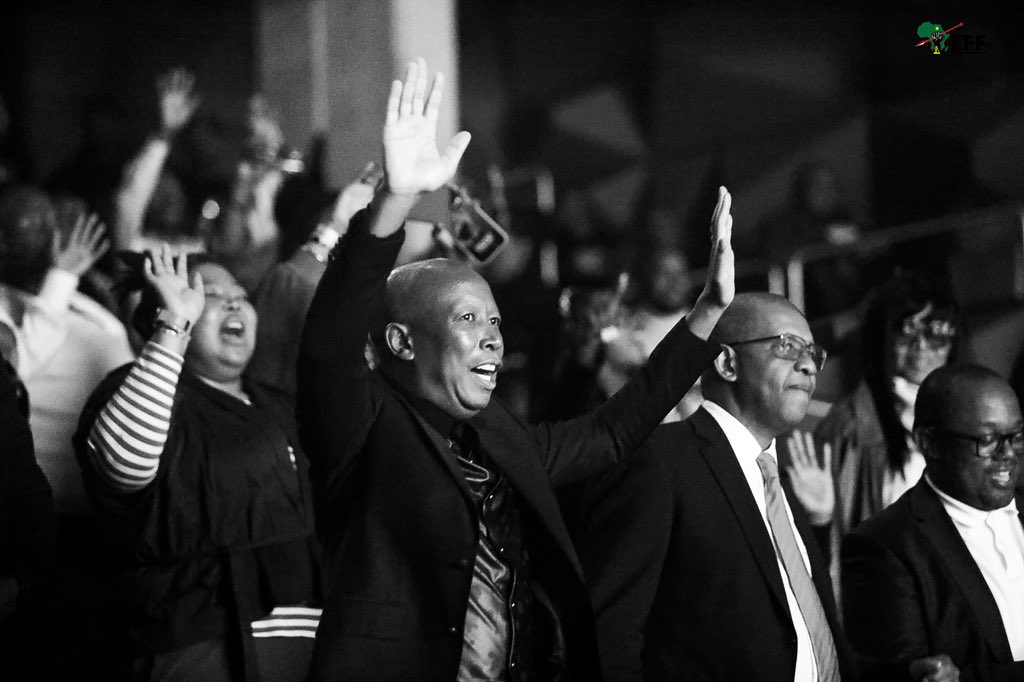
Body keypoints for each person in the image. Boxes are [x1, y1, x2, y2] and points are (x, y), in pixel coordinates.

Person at [297, 58, 732, 680]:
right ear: (401, 341)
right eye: (470, 321)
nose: (493, 340)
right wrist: (395, 199)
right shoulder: (360, 425)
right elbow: (329, 342)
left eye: (497, 324)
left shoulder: (503, 438)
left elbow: (611, 431)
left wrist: (707, 315)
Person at [578, 292, 859, 681]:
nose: (809, 365)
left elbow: (805, 646)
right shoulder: (659, 464)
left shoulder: (780, 482)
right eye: (788, 346)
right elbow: (607, 641)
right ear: (727, 362)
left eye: (813, 352)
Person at [74, 249, 321, 680]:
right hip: (197, 643)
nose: (233, 302)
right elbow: (123, 463)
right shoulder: (135, 390)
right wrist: (174, 326)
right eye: (208, 294)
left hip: (303, 642)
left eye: (240, 293)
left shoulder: (278, 404)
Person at [842, 364, 1024, 682]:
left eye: (1016, 436)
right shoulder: (883, 546)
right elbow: (908, 677)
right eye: (988, 439)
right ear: (929, 443)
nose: (1007, 453)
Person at [806, 271, 961, 595]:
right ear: (882, 339)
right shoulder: (848, 427)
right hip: (888, 595)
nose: (921, 345)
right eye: (907, 331)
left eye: (936, 333)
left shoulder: (970, 413)